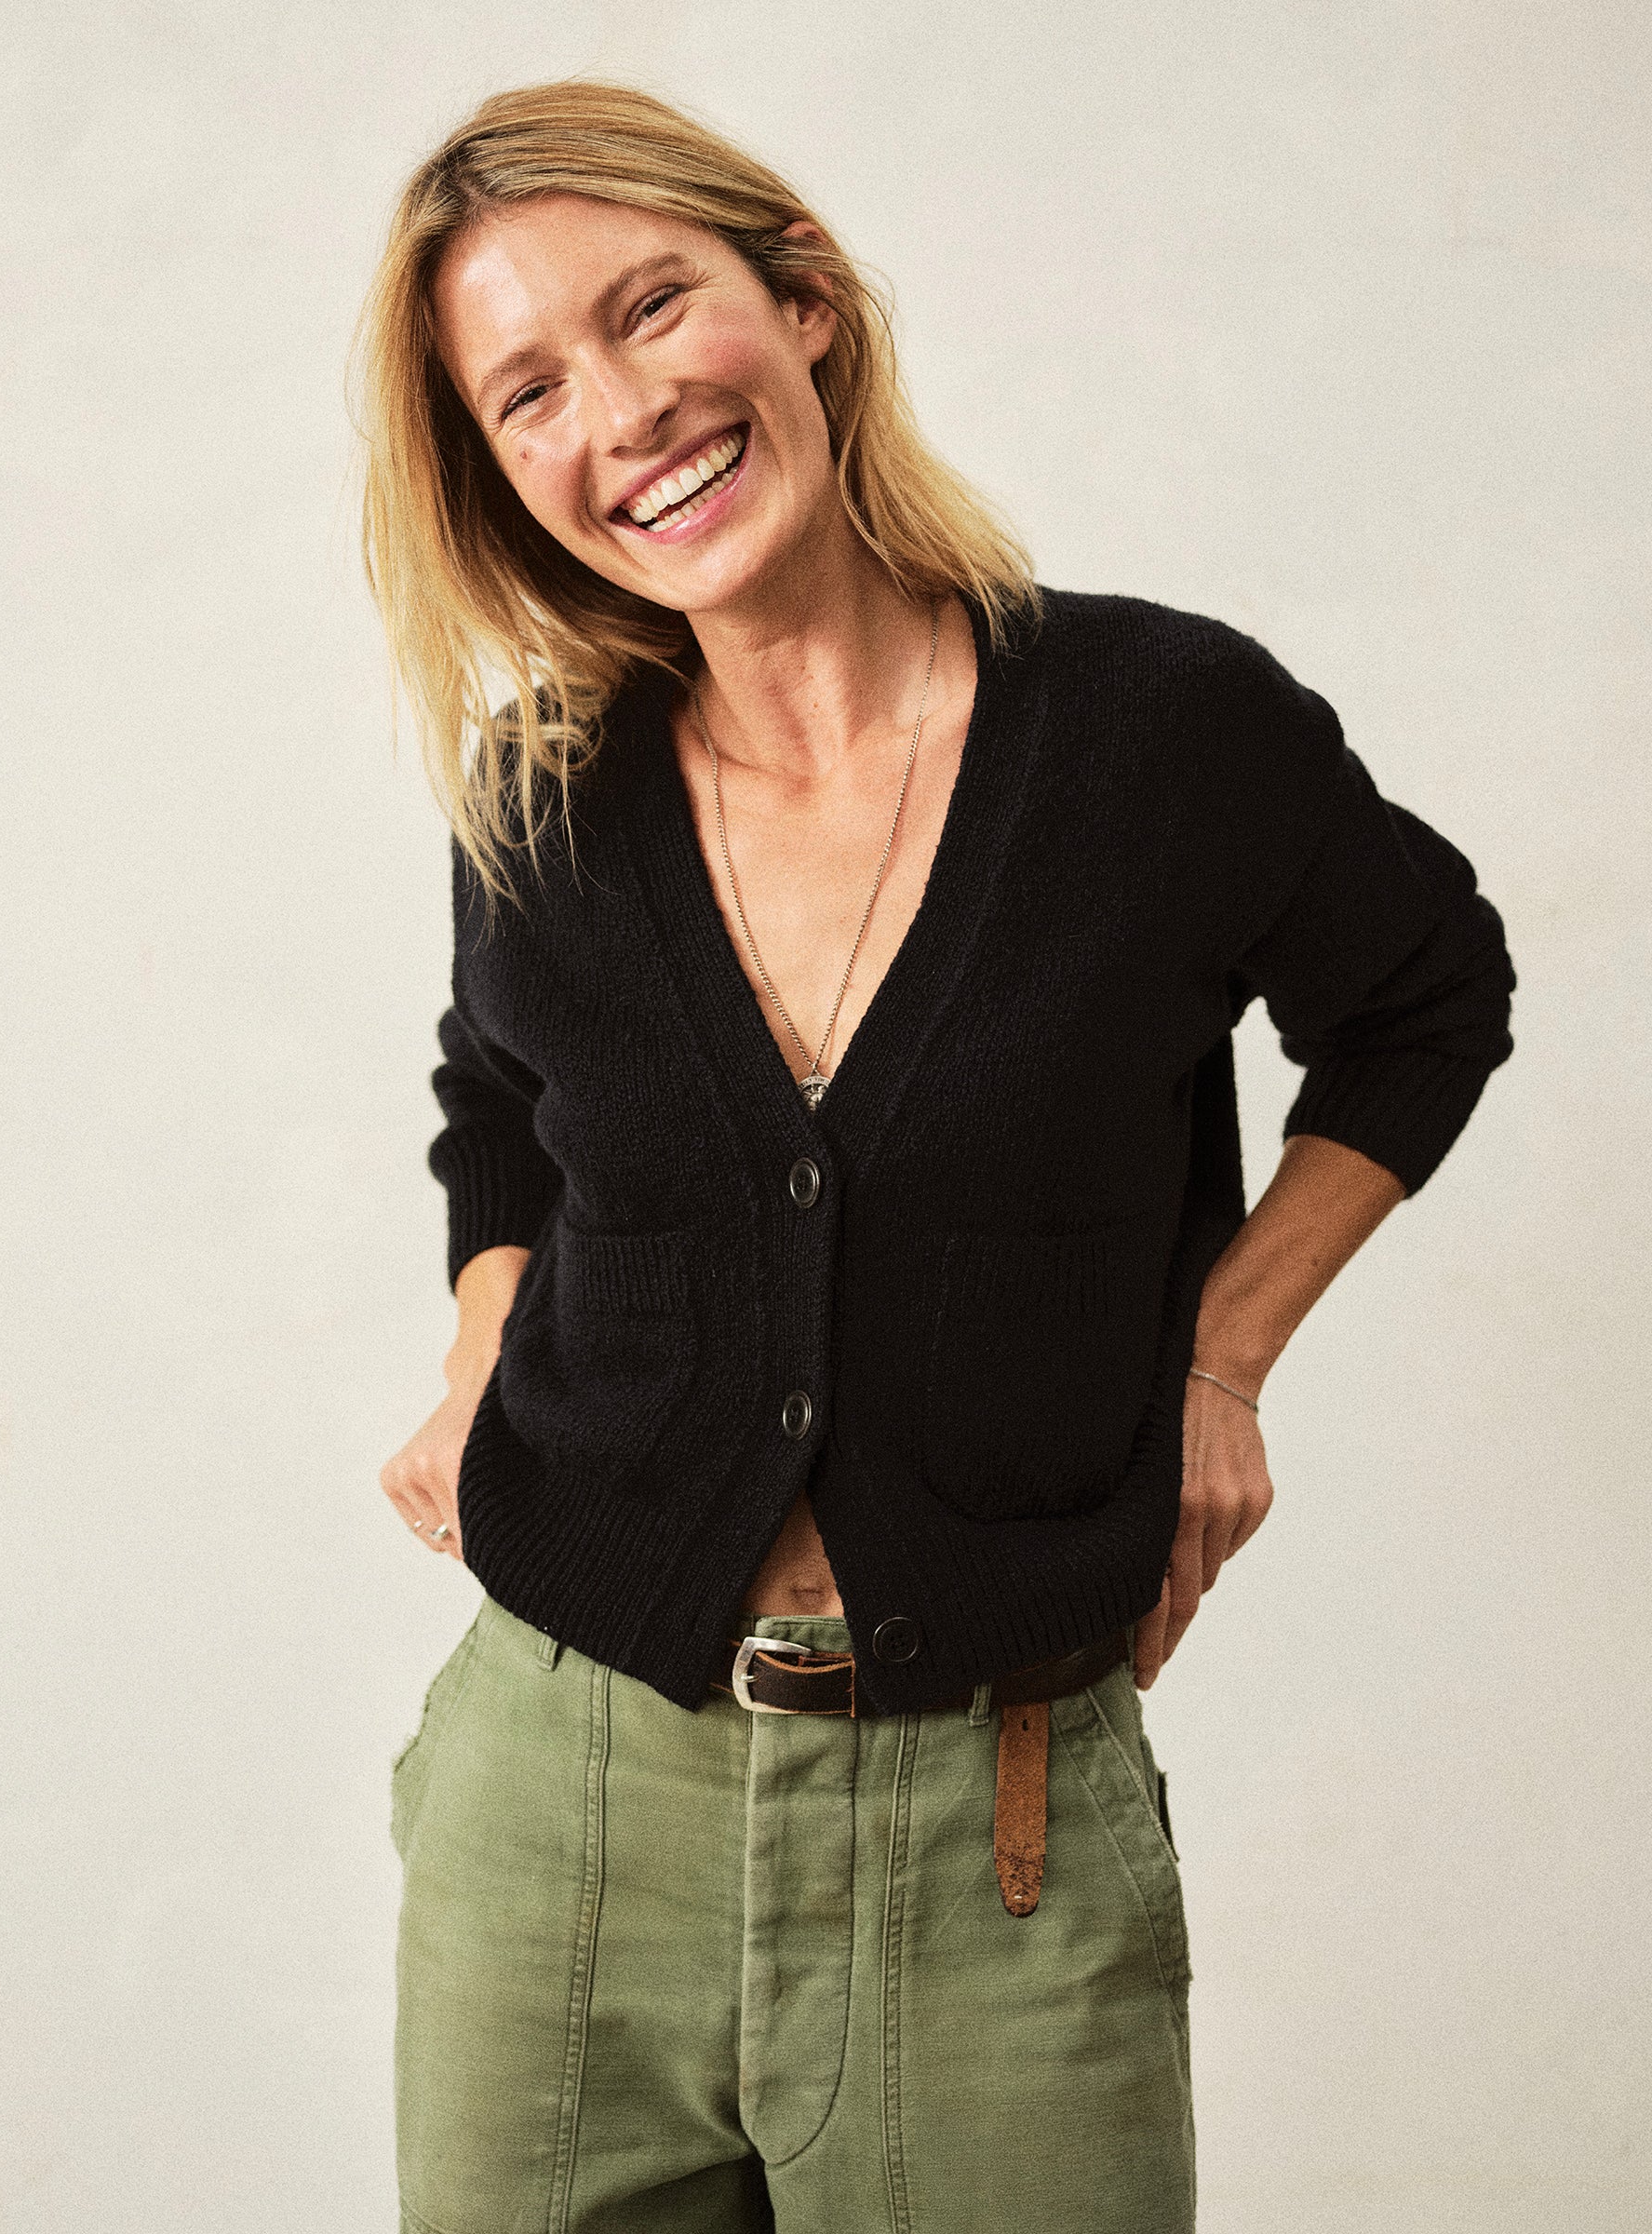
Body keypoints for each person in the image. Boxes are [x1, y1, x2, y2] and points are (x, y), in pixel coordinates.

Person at [357, 81, 1514, 2234]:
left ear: (801, 300)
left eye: (652, 307)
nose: (621, 411)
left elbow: (1429, 997)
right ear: (500, 473)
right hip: (563, 1809)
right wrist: (481, 1336)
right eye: (530, 391)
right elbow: (499, 1090)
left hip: (991, 1831)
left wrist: (1227, 1359)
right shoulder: (548, 796)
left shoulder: (1161, 732)